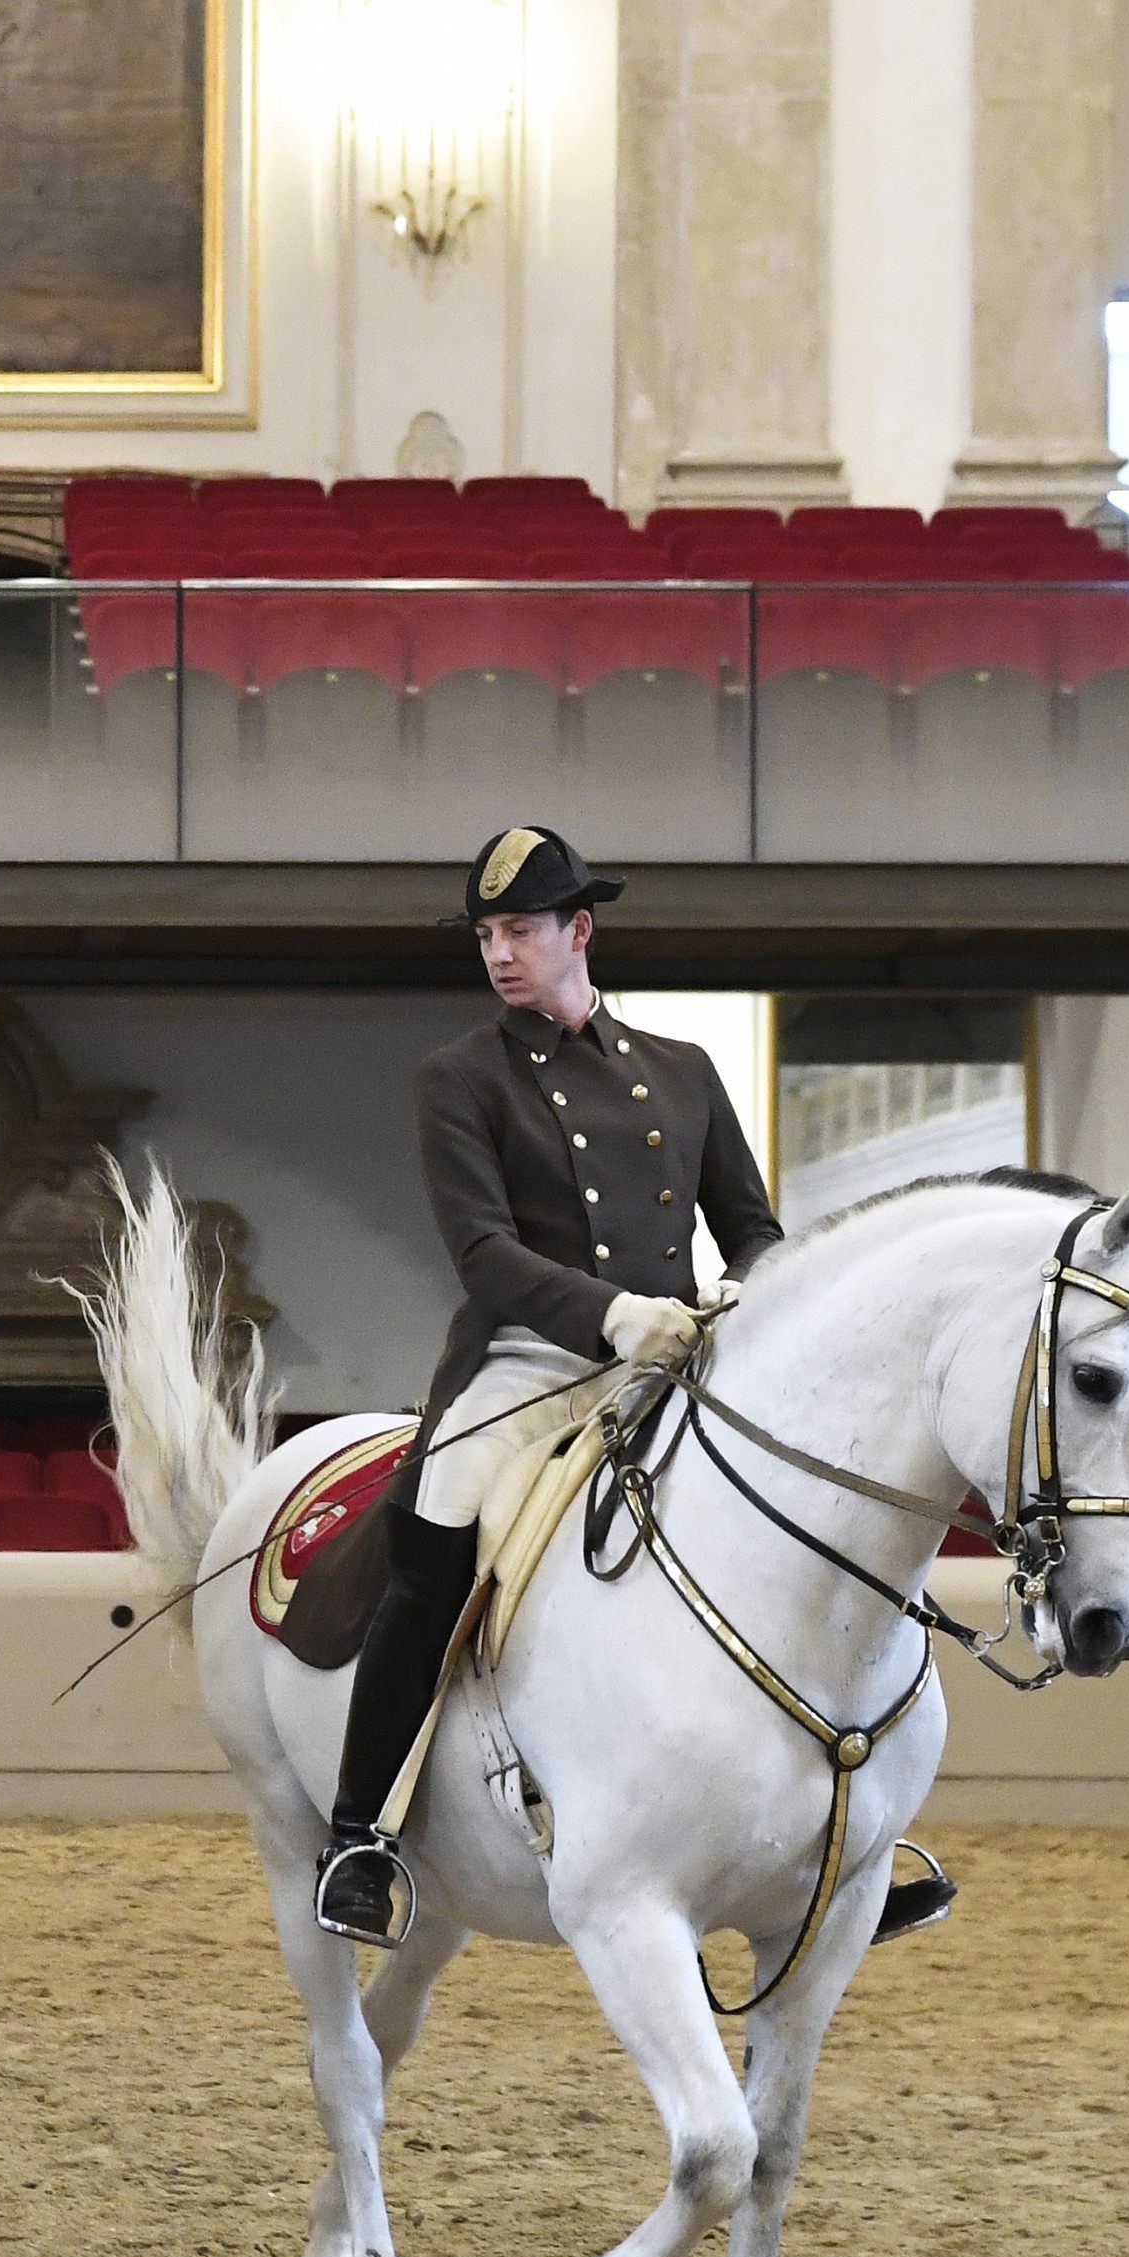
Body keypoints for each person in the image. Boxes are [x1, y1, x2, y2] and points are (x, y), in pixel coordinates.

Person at [311, 826, 784, 1949]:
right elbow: (482, 1252)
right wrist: (614, 1315)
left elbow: (754, 1229)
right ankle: (360, 1833)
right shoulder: (460, 1077)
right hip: (531, 1361)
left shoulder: (682, 1069)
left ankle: (835, 1817)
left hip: (676, 1357)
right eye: (486, 934)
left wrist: (753, 1298)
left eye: (519, 929)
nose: (499, 953)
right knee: (435, 1534)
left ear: (579, 930)